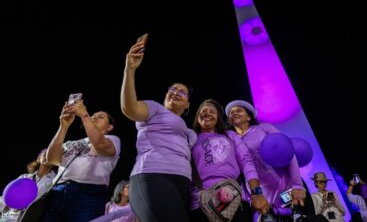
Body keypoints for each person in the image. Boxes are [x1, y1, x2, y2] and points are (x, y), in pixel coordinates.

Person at [120, 37, 196, 222]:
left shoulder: (190, 132)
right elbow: (129, 108)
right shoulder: (154, 108)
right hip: (153, 176)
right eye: (173, 89)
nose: (176, 92)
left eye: (182, 92)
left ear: (188, 105)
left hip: (182, 183)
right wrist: (130, 70)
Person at [189, 99, 269, 222]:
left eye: (212, 111)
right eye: (203, 110)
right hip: (200, 204)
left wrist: (256, 193)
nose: (207, 113)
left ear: (218, 118)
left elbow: (246, 162)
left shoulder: (230, 135)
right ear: (197, 116)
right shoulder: (191, 139)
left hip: (235, 201)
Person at [225, 100, 305, 220]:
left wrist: (297, 185)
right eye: (231, 112)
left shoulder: (264, 128)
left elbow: (288, 152)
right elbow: (238, 176)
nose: (234, 113)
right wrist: (249, 198)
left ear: (248, 117)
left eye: (239, 110)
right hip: (262, 200)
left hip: (288, 190)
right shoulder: (231, 142)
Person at [42, 99, 121, 221]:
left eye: (100, 117)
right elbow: (51, 159)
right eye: (93, 116)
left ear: (110, 127)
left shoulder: (113, 139)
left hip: (88, 194)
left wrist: (84, 115)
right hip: (58, 191)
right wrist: (64, 125)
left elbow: (100, 144)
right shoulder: (71, 143)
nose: (94, 117)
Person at [0, 148, 56, 222]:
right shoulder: (24, 177)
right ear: (39, 158)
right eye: (45, 154)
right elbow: (7, 196)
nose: (47, 156)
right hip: (8, 218)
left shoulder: (55, 181)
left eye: (50, 155)